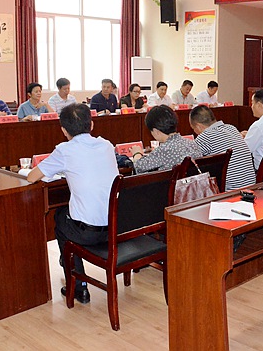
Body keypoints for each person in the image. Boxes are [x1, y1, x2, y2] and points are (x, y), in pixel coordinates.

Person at [26, 103, 118, 305]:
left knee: (60, 218)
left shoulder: (64, 150)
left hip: (89, 234)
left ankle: (78, 286)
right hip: (116, 226)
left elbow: (32, 177)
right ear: (91, 125)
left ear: (63, 130)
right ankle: (69, 261)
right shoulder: (106, 145)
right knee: (67, 214)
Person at [189, 105, 256, 191]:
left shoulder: (205, 137)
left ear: (198, 126)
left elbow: (188, 160)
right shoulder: (232, 128)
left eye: (194, 129)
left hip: (231, 191)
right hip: (251, 186)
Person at [130, 105, 202, 173]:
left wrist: (137, 153)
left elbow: (138, 167)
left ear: (156, 131)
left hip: (171, 182)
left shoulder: (164, 150)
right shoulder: (192, 144)